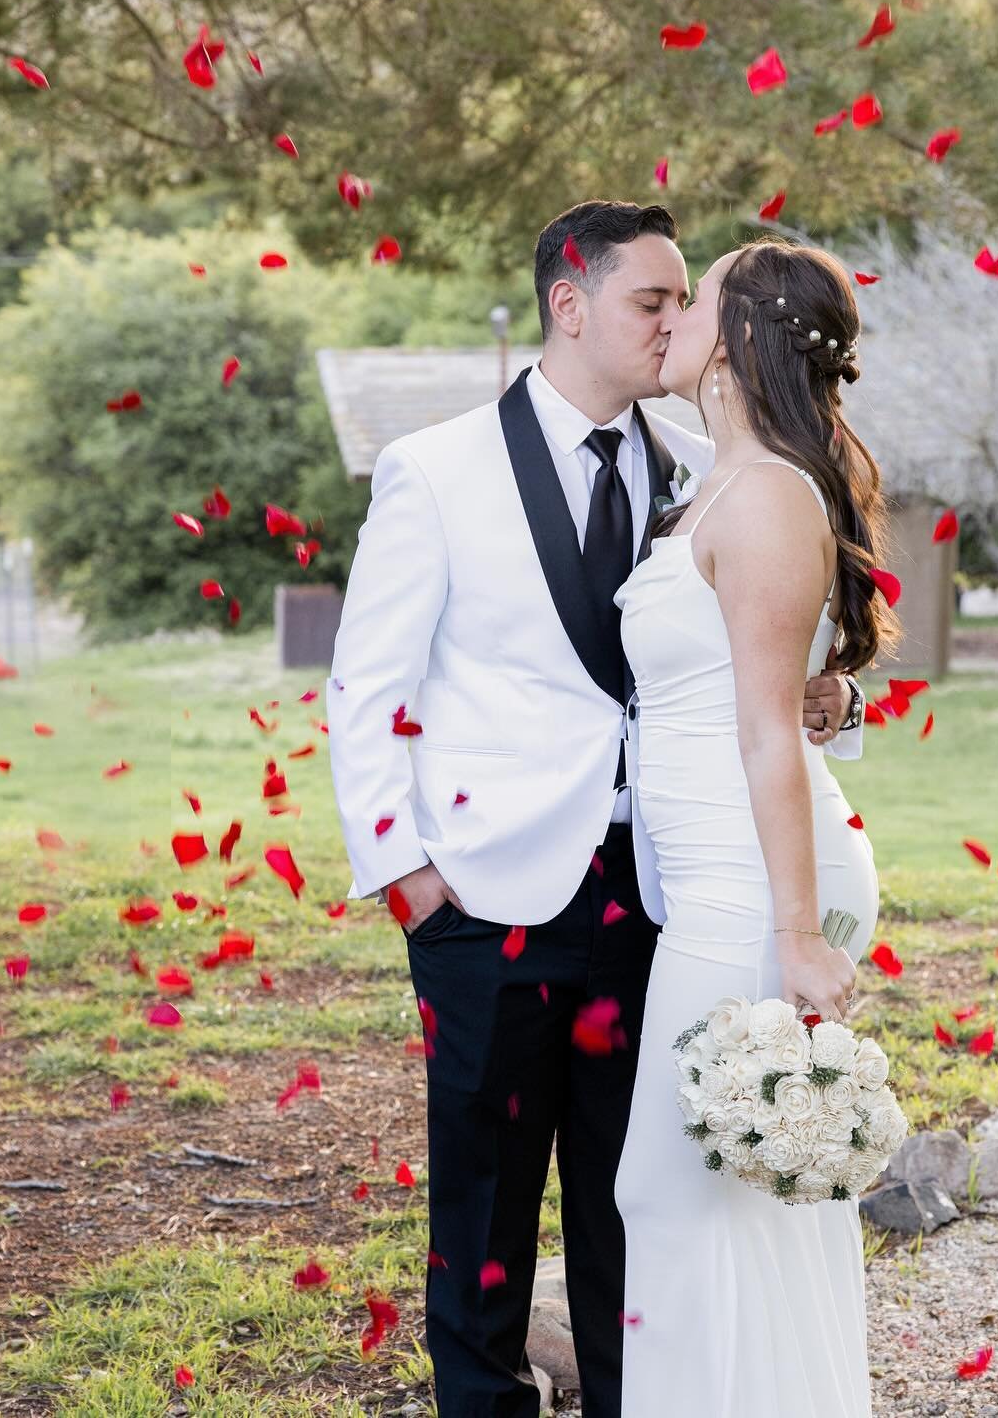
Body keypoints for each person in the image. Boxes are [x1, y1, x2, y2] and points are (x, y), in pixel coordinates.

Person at [325, 200, 867, 1418]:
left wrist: (824, 695)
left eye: (687, 302)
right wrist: (408, 873)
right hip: (486, 893)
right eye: (652, 301)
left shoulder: (700, 469)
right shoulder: (438, 467)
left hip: (658, 895)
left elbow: (748, 673)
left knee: (634, 1191)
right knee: (483, 1193)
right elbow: (367, 689)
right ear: (570, 302)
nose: (675, 322)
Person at [614, 234, 895, 1416]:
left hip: (755, 879)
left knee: (672, 1190)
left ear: (735, 337)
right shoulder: (717, 478)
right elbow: (779, 691)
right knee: (738, 1202)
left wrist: (796, 930)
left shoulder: (772, 493)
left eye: (699, 294)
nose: (673, 312)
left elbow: (772, 730)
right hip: (723, 867)